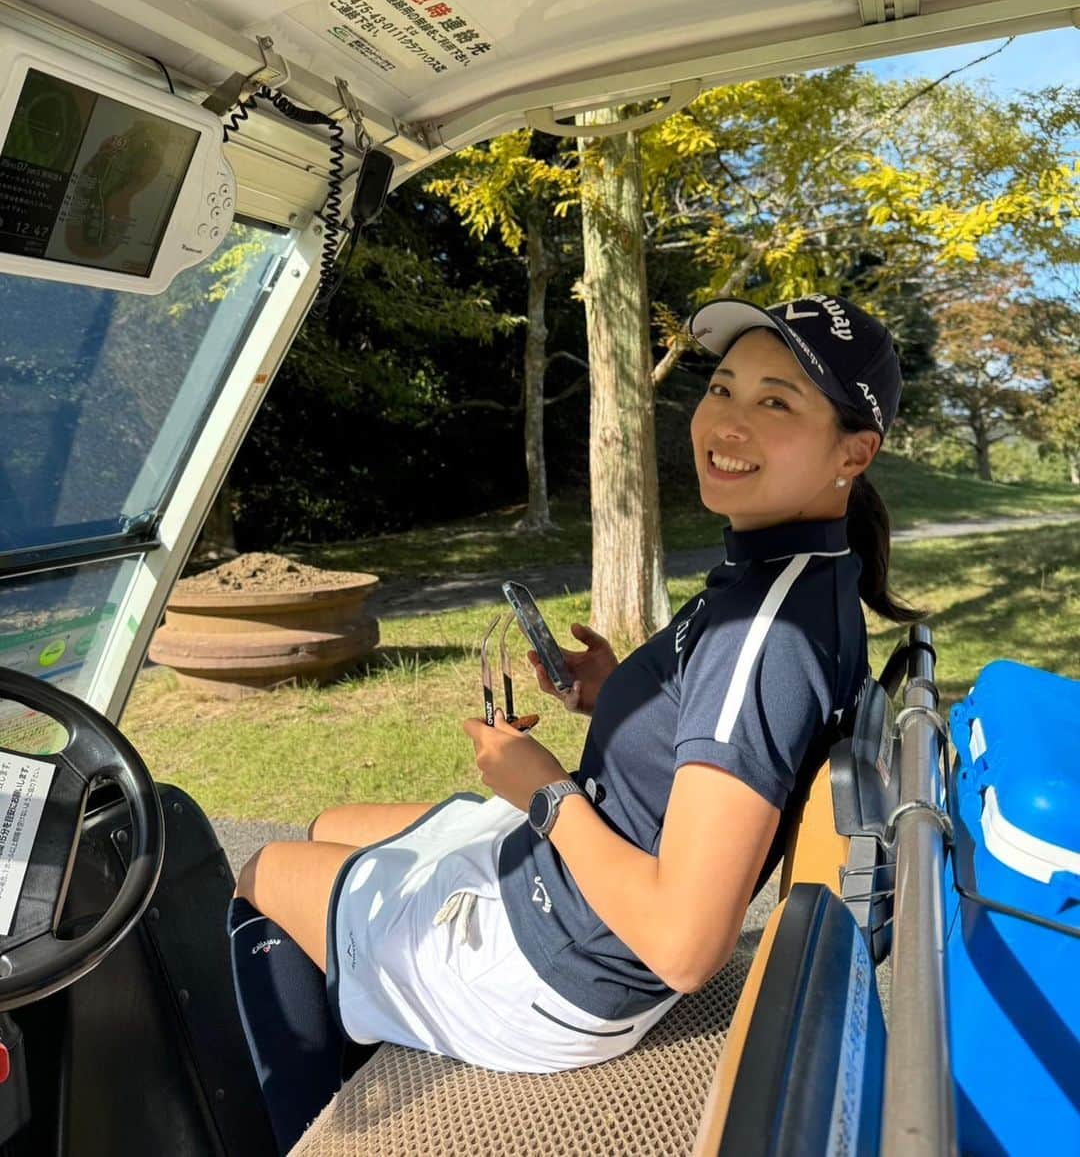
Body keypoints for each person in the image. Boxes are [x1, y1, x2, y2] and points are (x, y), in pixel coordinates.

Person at [229, 291, 924, 1151]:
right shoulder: (798, 578)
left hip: (557, 966)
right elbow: (732, 743)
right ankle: (369, 1005)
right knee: (334, 826)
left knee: (263, 872)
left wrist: (541, 789)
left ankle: (302, 1130)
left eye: (776, 402)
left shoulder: (767, 630)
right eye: (724, 387)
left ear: (854, 451)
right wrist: (617, 694)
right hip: (561, 890)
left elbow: (683, 943)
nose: (728, 421)